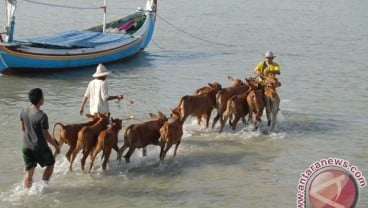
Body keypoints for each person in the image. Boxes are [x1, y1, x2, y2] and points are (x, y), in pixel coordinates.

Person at [20, 88, 60, 190]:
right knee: (51, 163)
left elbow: (23, 128)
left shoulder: (23, 111)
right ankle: (43, 186)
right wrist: (56, 146)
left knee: (29, 172)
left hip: (26, 147)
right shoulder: (42, 116)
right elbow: (46, 134)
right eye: (43, 96)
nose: (44, 98)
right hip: (39, 148)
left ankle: (26, 192)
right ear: (40, 99)